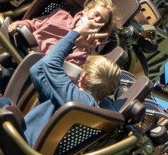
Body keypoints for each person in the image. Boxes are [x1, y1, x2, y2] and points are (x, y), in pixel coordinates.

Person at [22, 15, 123, 145]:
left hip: (17, 145)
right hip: (27, 153)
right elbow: (37, 70)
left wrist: (76, 33)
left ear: (83, 78)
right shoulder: (95, 114)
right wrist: (75, 45)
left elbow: (49, 63)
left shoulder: (75, 99)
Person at [9, 0, 117, 64]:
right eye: (96, 14)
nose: (96, 20)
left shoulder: (84, 51)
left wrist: (76, 42)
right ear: (86, 10)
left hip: (33, 68)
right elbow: (33, 24)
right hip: (20, 49)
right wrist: (18, 25)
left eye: (101, 21)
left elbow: (58, 68)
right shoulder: (61, 15)